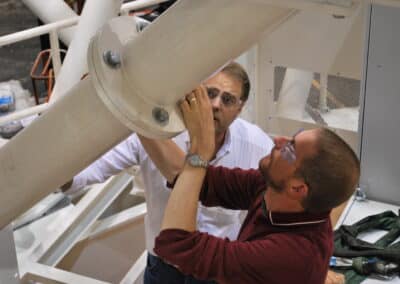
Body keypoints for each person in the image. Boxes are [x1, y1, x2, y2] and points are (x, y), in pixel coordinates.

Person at [62, 62, 274, 284]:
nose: (215, 104)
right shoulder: (157, 135)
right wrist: (51, 170)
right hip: (164, 268)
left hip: (214, 271)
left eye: (228, 99)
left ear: (240, 108)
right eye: (210, 93)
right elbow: (85, 174)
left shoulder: (257, 146)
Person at [151, 86, 360, 284]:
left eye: (290, 149)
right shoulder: (275, 188)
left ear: (297, 188)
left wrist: (199, 152)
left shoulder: (288, 256)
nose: (278, 140)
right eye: (293, 137)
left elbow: (176, 245)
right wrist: (140, 119)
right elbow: (192, 178)